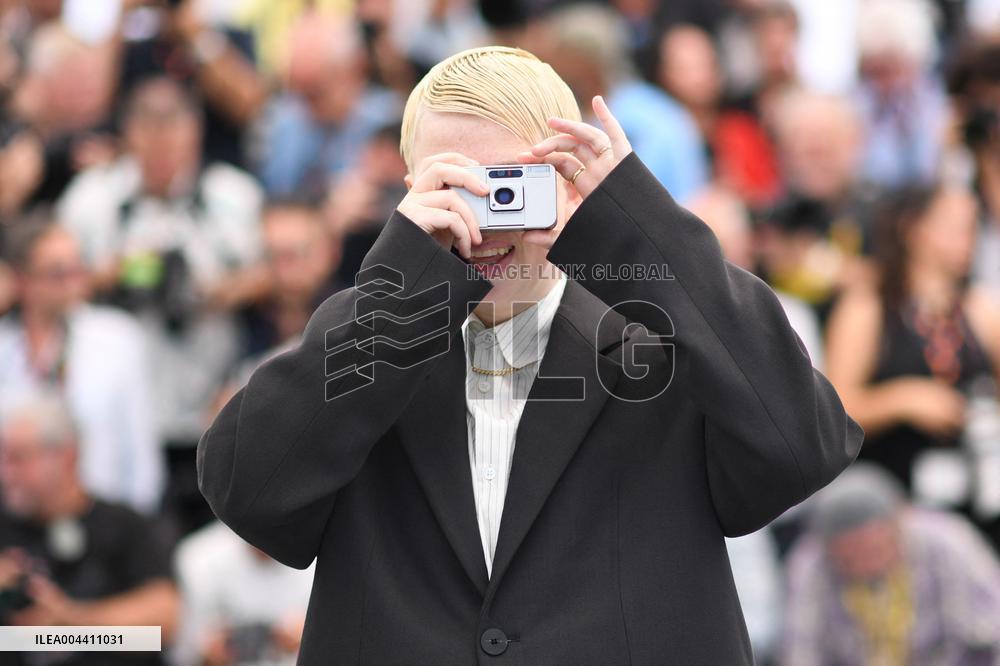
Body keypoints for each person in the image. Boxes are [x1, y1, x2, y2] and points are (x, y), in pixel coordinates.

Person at [198, 46, 862, 663]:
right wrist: (400, 283)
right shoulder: (367, 342)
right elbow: (250, 492)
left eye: (512, 185)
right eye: (456, 188)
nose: (485, 217)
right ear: (408, 192)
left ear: (568, 183)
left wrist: (640, 233)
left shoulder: (660, 345)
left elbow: (803, 445)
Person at [57, 76, 263, 535]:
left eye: (173, 127)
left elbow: (274, 275)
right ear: (127, 134)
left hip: (211, 398)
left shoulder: (232, 196)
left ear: (196, 131)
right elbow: (53, 278)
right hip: (122, 409)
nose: (161, 143)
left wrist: (216, 289)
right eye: (148, 128)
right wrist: (108, 277)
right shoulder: (92, 200)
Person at [826, 184, 1000, 545]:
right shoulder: (868, 307)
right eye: (954, 226)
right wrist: (902, 400)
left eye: (972, 227)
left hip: (976, 499)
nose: (966, 239)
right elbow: (833, 414)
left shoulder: (980, 309)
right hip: (894, 507)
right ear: (914, 229)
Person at [0, 392, 179, 666]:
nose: (7, 474)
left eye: (19, 458)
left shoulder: (124, 526)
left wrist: (72, 623)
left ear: (66, 457)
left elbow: (162, 627)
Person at [0, 217, 162, 513]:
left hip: (104, 517)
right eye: (57, 273)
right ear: (22, 280)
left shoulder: (117, 337)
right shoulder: (5, 346)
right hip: (18, 520)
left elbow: (139, 447)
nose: (73, 282)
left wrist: (140, 521)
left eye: (78, 268)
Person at [782, 464, 1000, 665]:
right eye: (849, 559)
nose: (865, 568)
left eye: (873, 551)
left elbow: (992, 625)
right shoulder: (809, 564)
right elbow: (801, 651)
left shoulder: (946, 541)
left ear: (898, 524)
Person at [257, 12, 401, 199]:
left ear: (355, 70)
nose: (305, 107)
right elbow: (273, 198)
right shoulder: (283, 122)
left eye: (316, 92)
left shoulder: (391, 122)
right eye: (297, 90)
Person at [172, 521, 314, 666]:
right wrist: (206, 652)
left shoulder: (322, 554)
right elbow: (180, 647)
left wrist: (312, 638)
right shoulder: (198, 555)